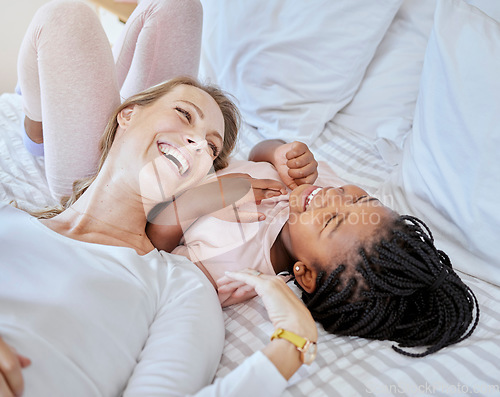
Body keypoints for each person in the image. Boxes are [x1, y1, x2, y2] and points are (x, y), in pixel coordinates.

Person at [0, 1, 319, 396]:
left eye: (211, 148)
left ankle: (44, 127)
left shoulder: (180, 285)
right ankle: (45, 126)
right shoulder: (7, 219)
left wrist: (292, 345)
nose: (197, 143)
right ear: (126, 114)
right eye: (185, 116)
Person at [147, 138, 480, 358]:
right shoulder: (312, 192)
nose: (333, 195)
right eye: (360, 199)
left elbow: (154, 243)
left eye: (331, 220)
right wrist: (279, 154)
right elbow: (255, 154)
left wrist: (205, 198)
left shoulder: (229, 265)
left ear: (304, 274)